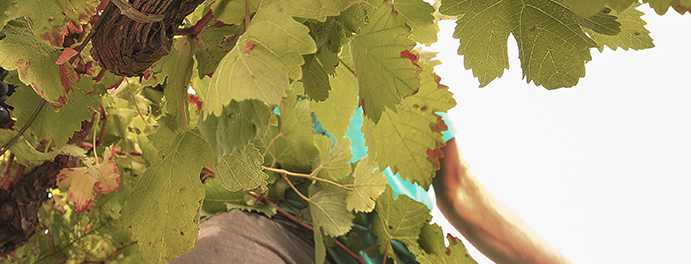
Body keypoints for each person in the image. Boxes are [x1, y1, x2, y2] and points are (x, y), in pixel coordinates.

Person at [174, 108, 574, 264]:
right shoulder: (258, 29)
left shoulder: (413, 76)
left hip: (394, 253)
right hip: (283, 227)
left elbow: (458, 188)